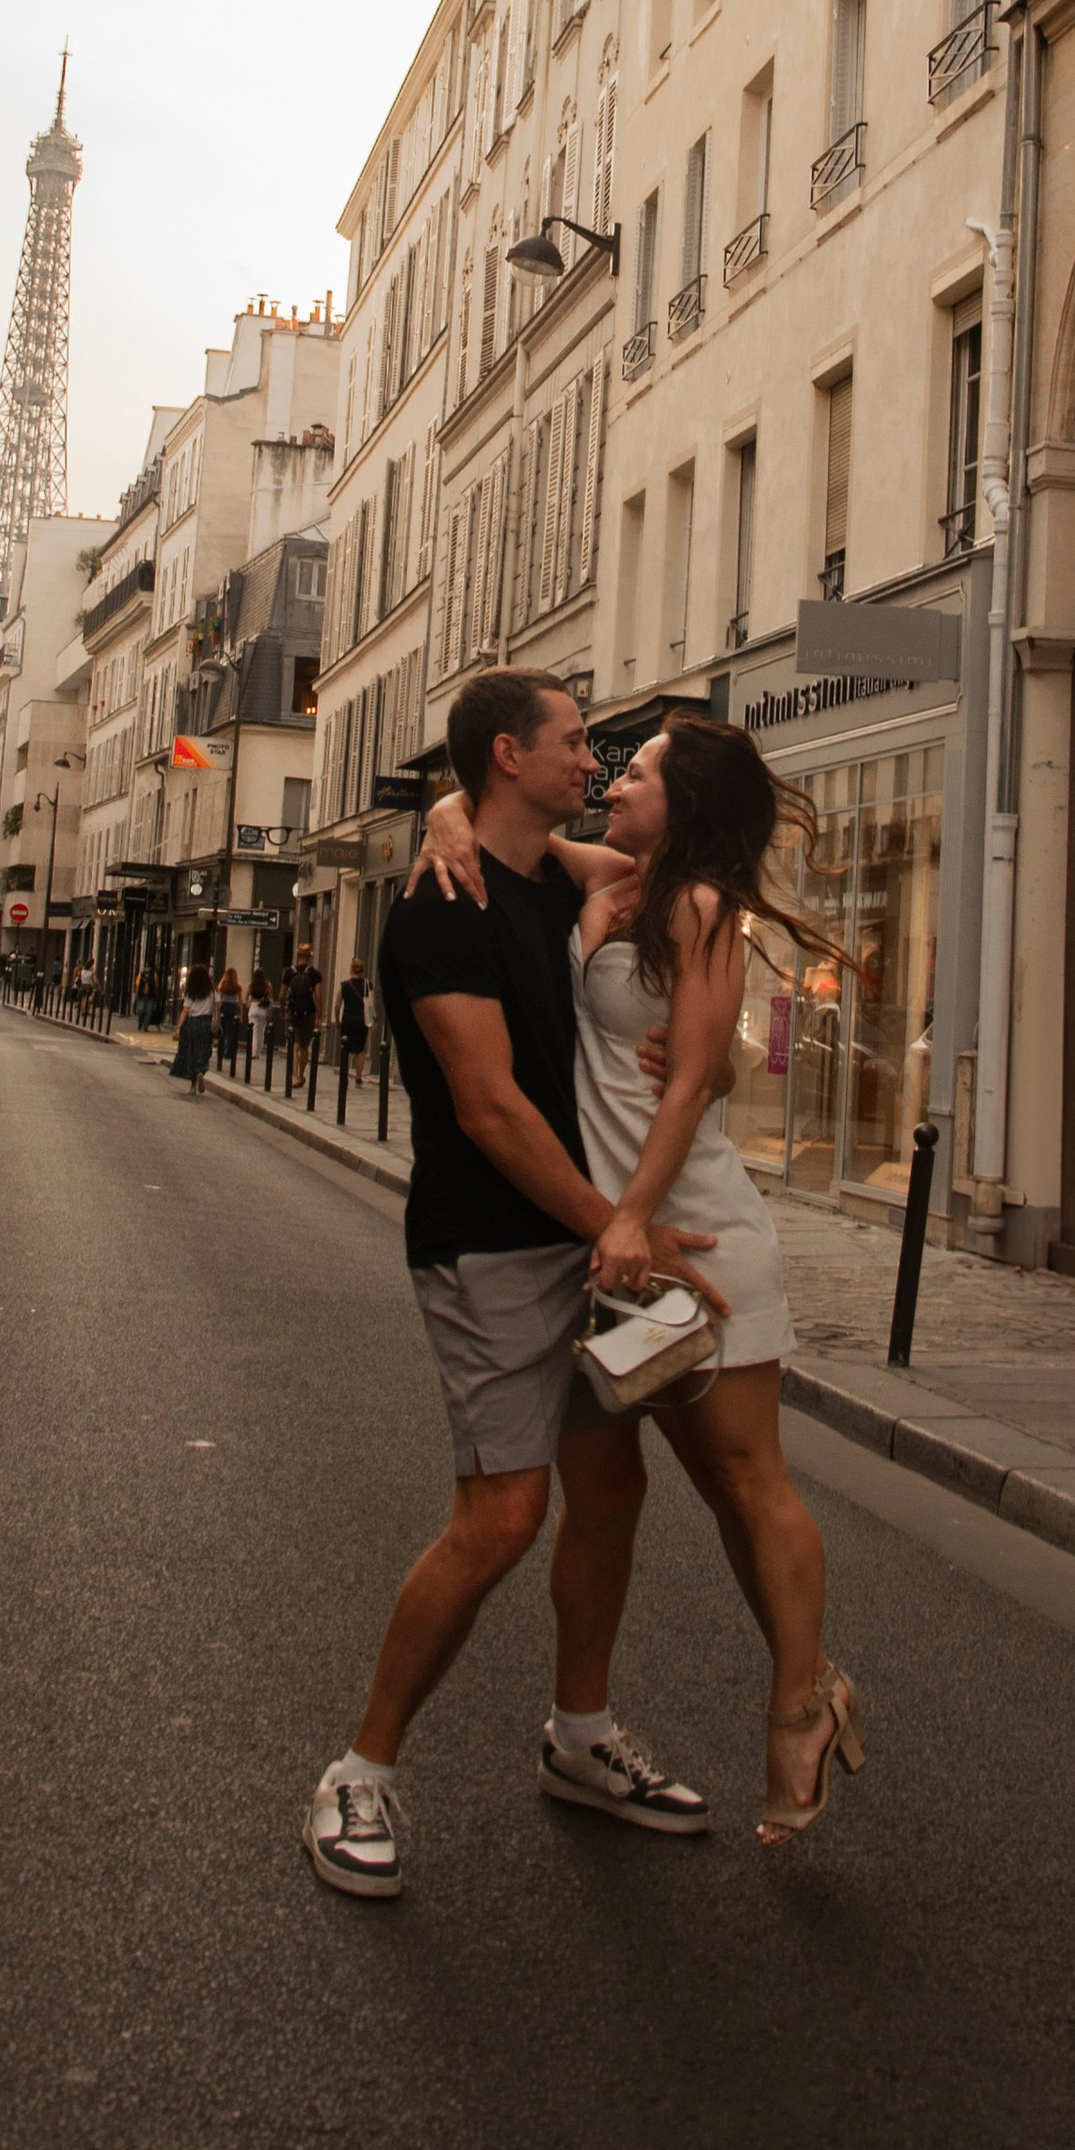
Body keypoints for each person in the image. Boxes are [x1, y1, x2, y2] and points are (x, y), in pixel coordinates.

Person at [304, 670, 726, 1904]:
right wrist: (621, 1228)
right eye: (570, 744)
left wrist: (712, 1042)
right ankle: (359, 1769)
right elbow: (486, 1109)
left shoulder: (545, 872)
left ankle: (581, 1737)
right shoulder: (440, 910)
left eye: (601, 752)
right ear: (507, 754)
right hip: (490, 1242)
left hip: (578, 1240)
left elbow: (661, 873)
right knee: (498, 1517)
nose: (589, 763)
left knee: (609, 1491)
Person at [412, 713, 863, 1845]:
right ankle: (582, 1731)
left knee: (745, 1483)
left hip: (686, 1238)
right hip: (607, 1253)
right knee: (614, 1493)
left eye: (643, 772)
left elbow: (693, 1081)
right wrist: (445, 809)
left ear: (688, 800)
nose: (615, 779)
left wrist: (632, 1217)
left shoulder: (703, 907)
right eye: (609, 763)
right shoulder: (612, 878)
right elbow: (497, 818)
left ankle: (800, 1704)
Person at [170, 965, 215, 1087]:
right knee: (205, 1050)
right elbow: (218, 1006)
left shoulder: (191, 993)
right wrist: (218, 1024)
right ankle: (201, 1070)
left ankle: (193, 1084)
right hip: (206, 1024)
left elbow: (185, 1010)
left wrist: (179, 1027)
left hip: (192, 1023)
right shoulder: (212, 992)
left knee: (191, 1052)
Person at [284, 947, 321, 1093]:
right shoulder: (315, 974)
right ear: (309, 957)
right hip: (308, 1013)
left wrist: (283, 1009)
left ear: (297, 955)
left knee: (294, 1044)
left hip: (293, 1012)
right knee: (305, 1046)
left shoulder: (289, 972)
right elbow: (318, 996)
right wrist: (319, 1015)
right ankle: (301, 1074)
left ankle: (293, 1076)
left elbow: (281, 992)